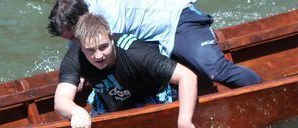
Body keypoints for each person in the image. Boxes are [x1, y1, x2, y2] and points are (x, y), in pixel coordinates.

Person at [54, 13, 199, 128]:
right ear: (81, 47)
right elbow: (61, 99)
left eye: (103, 47)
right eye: (90, 50)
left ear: (111, 39)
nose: (98, 56)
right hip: (109, 100)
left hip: (151, 96)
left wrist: (184, 122)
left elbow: (187, 76)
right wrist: (76, 111)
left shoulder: (136, 53)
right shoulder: (74, 57)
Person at [47, 0, 262, 88]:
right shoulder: (84, 17)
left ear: (82, 21)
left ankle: (265, 90)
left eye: (73, 38)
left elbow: (116, 49)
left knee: (215, 70)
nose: (73, 43)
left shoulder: (106, 13)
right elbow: (79, 47)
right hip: (150, 38)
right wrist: (78, 72)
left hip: (178, 21)